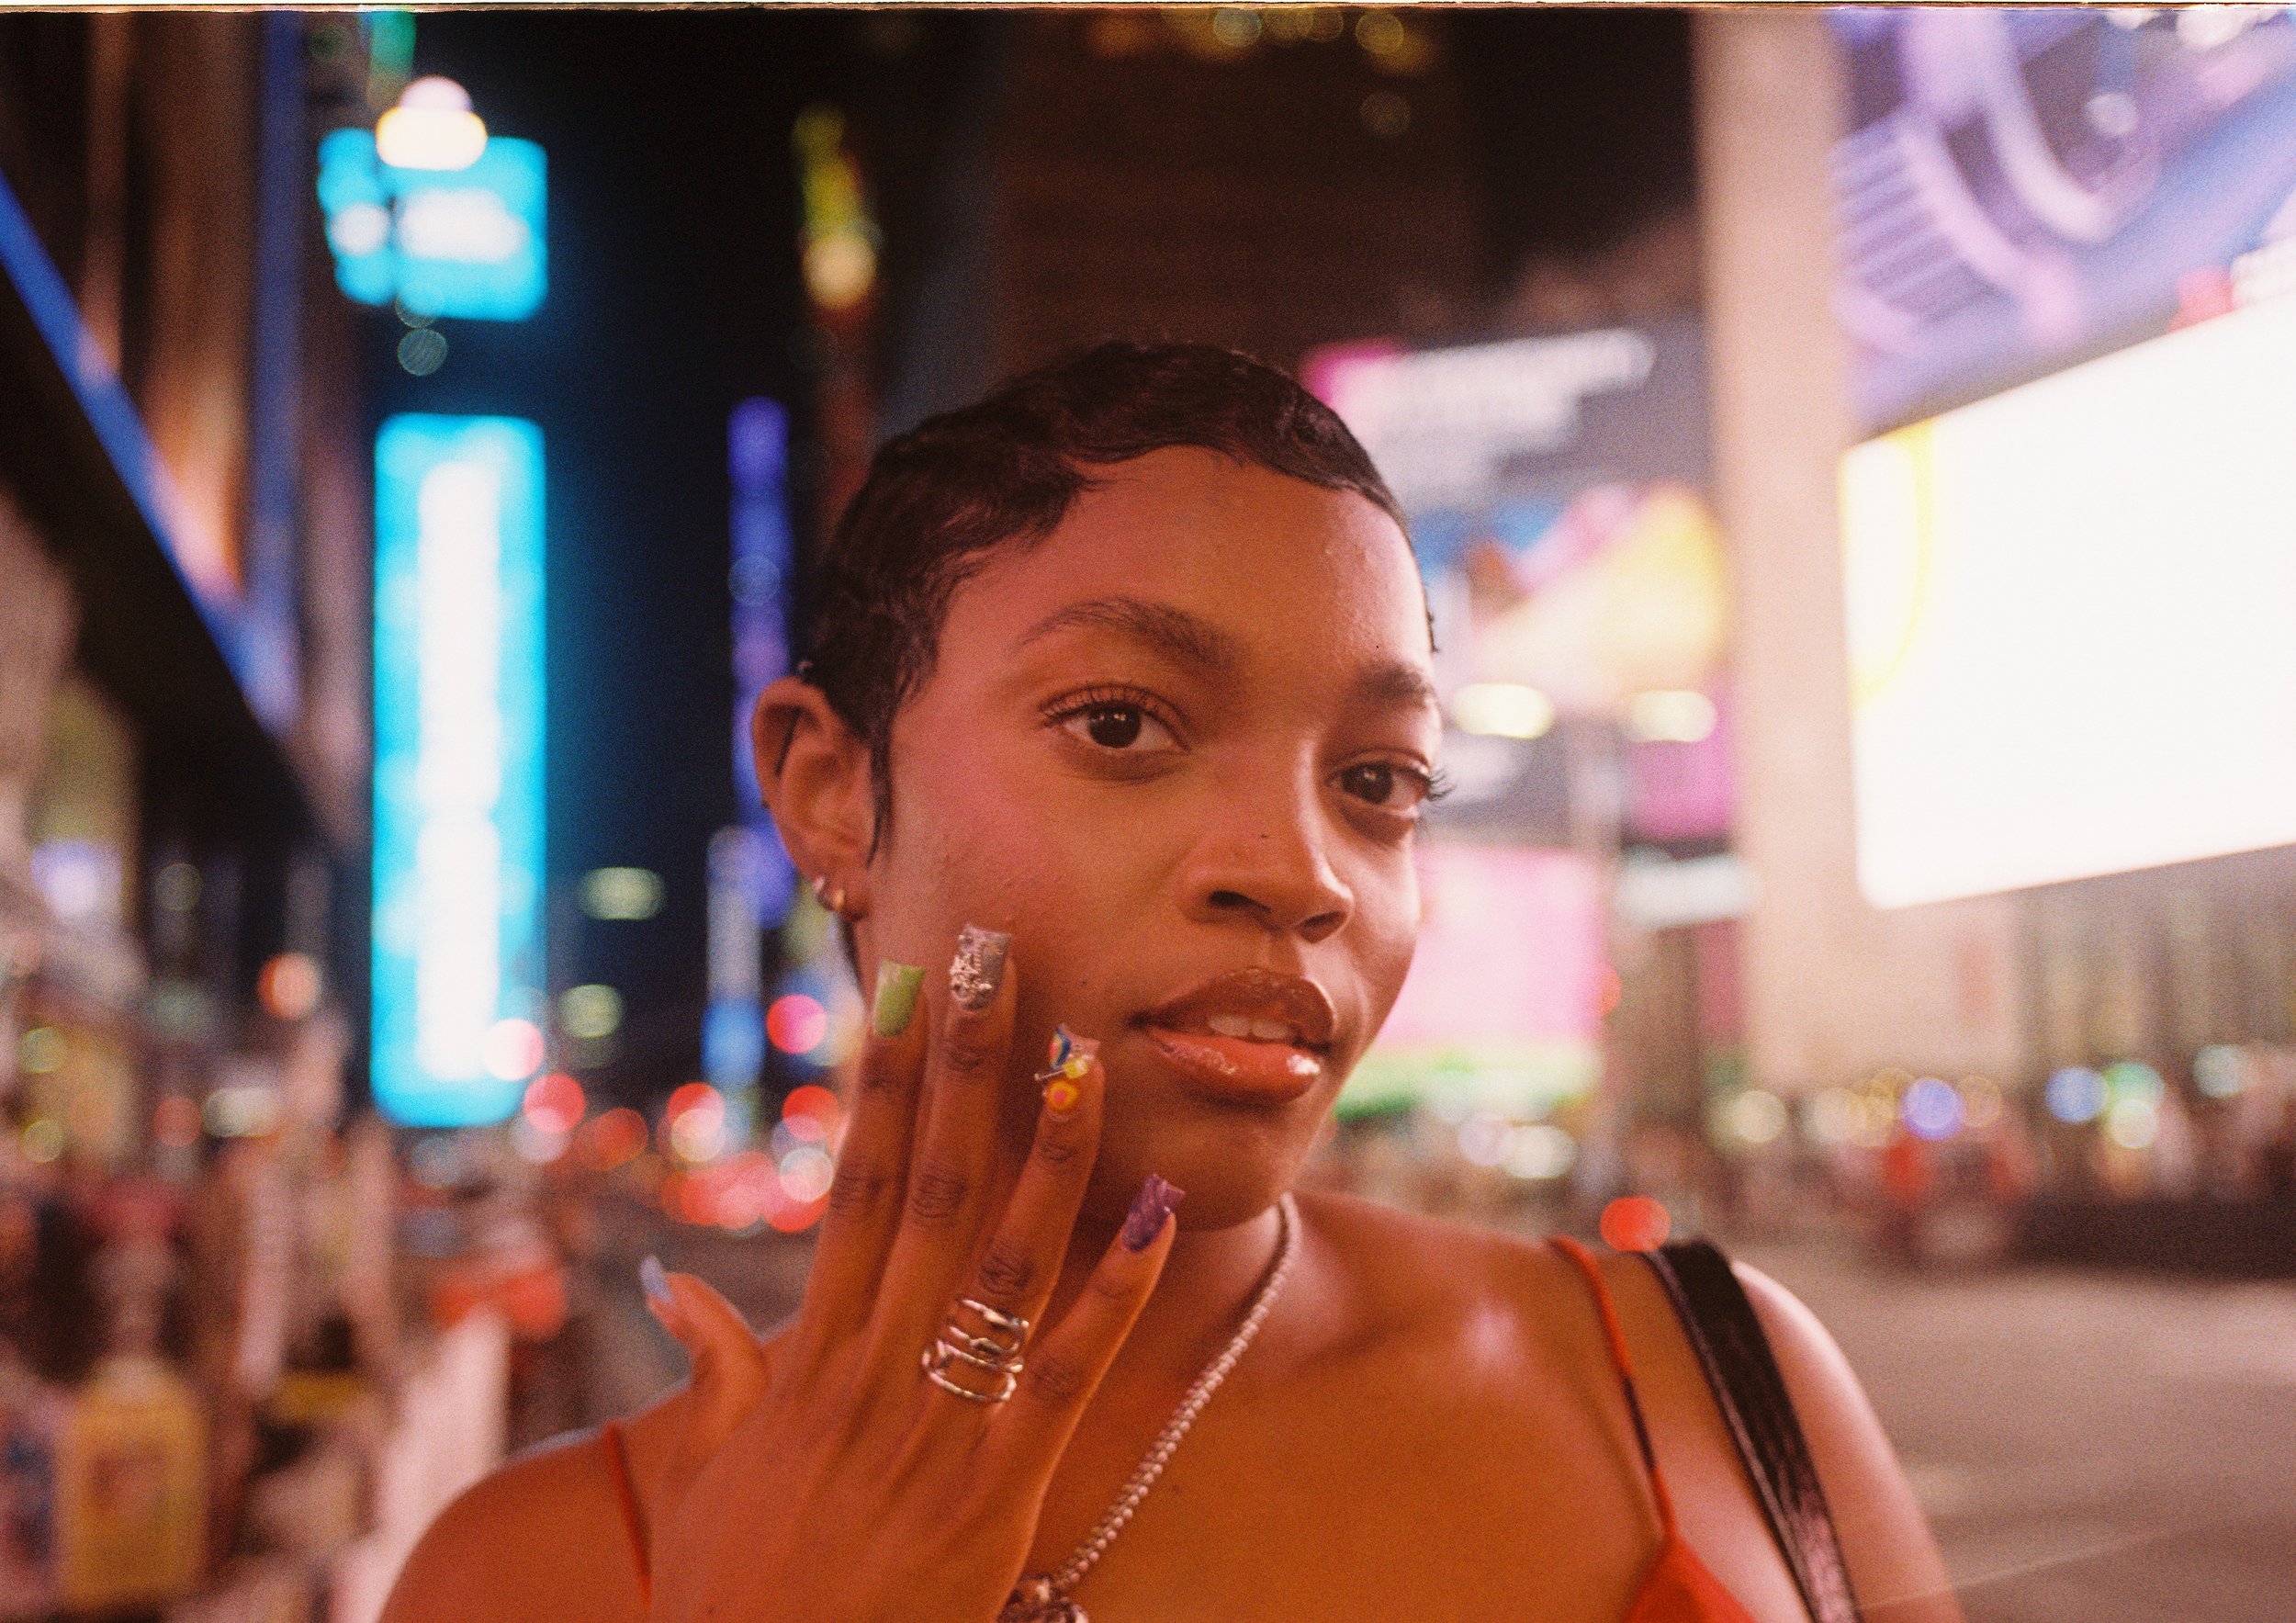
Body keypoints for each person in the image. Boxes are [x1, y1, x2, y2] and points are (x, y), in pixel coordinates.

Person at [381, 344, 1959, 1623]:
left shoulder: (1714, 1381)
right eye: (1124, 725)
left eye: (1382, 780)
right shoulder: (536, 1576)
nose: (1303, 874)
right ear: (830, 791)